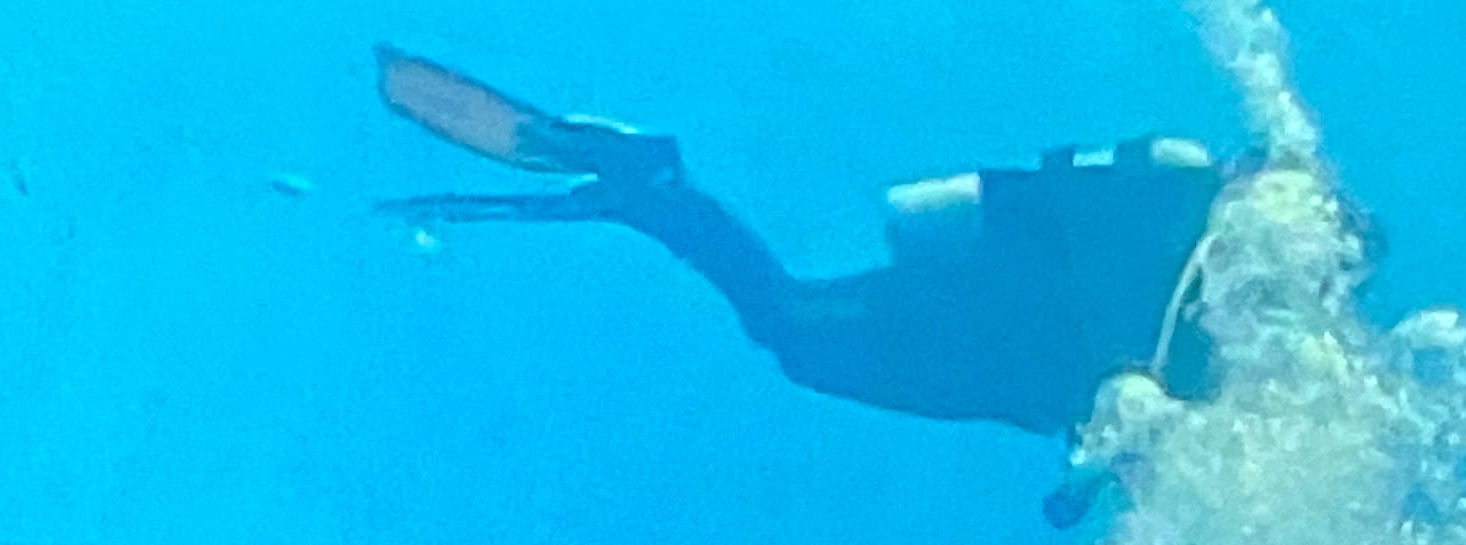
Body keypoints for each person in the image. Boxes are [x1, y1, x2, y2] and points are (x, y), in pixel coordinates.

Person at [375, 49, 1227, 507]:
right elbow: (1123, 321)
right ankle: (653, 187)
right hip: (998, 325)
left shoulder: (1218, 279)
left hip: (1013, 342)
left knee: (795, 330)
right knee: (794, 326)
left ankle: (649, 190)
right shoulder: (1204, 263)